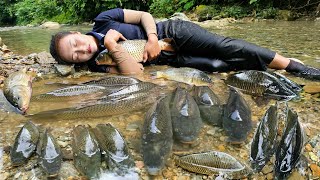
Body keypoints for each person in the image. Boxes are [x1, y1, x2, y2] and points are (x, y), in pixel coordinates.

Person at [50, 8, 320, 80]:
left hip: (171, 32)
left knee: (222, 46)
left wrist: (154, 38)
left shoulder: (103, 19)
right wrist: (114, 46)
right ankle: (267, 74)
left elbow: (144, 16)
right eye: (74, 56)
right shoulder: (97, 67)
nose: (80, 50)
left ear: (77, 32)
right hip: (171, 61)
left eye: (75, 43)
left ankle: (292, 65)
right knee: (217, 66)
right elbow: (135, 74)